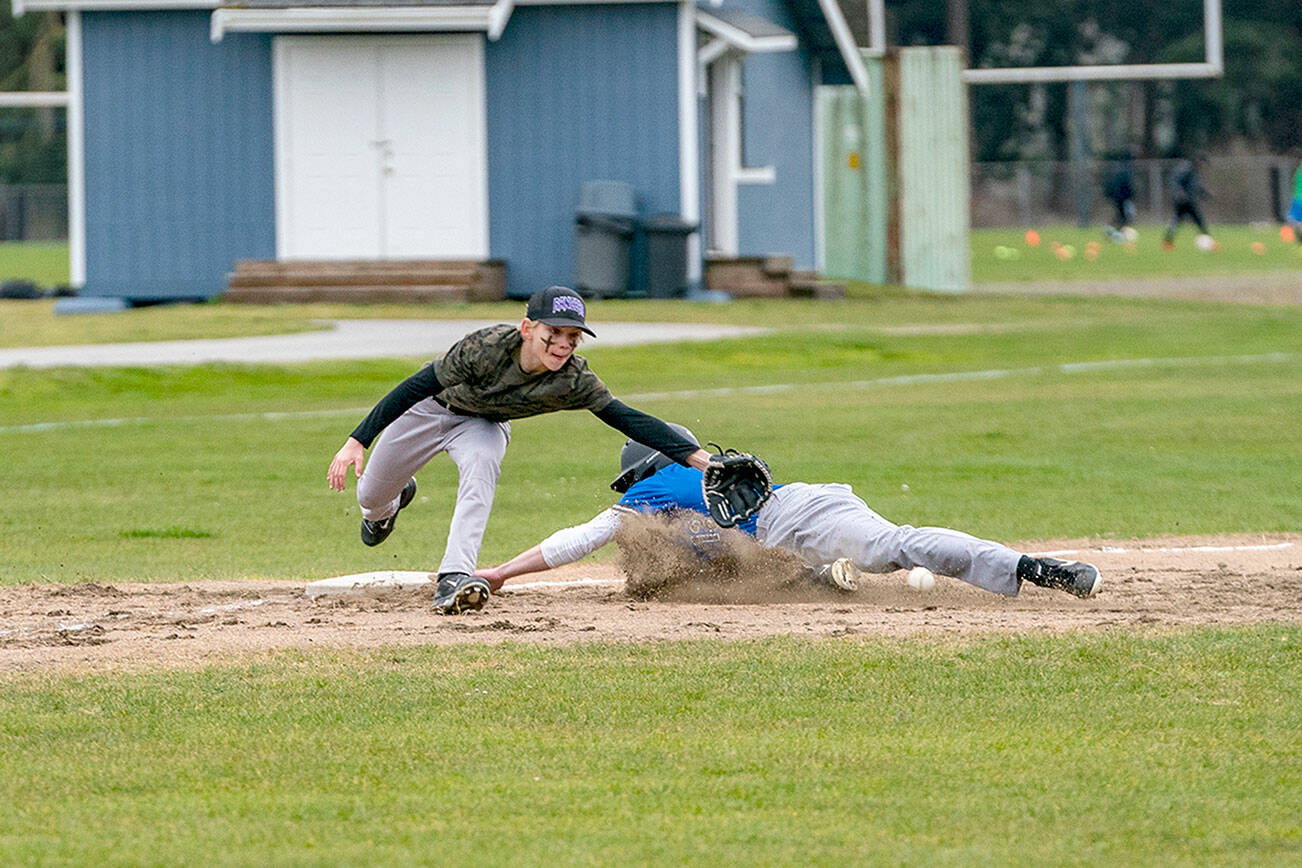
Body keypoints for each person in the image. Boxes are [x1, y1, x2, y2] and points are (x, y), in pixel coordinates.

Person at [326, 286, 715, 615]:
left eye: (572, 337)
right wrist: (358, 440)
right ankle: (389, 505)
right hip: (429, 410)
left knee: (482, 464)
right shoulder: (487, 347)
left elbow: (626, 418)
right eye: (554, 332)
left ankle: (454, 576)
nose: (563, 344)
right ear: (528, 328)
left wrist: (699, 459)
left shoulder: (573, 379)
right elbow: (415, 386)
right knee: (371, 496)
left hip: (481, 426)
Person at [475, 425, 1102, 601]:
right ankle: (821, 580)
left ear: (642, 469)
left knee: (894, 548)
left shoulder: (652, 492)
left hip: (802, 517)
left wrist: (500, 572)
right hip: (798, 523)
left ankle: (1034, 566)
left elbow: (575, 540)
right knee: (730, 565)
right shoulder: (667, 498)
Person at [1163, 153, 1213, 249]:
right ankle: (1208, 241)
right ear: (1199, 161)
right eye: (1204, 163)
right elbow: (1175, 181)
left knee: (1190, 220)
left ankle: (1167, 242)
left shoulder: (1194, 170)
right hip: (1182, 201)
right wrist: (1179, 194)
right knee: (1191, 220)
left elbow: (1195, 186)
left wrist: (1205, 194)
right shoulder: (1186, 168)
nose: (1204, 166)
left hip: (1189, 200)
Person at [1102, 148, 1137, 243]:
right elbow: (1126, 186)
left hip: (1117, 197)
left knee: (1121, 216)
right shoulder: (1126, 169)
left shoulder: (1118, 168)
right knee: (1126, 217)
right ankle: (1118, 236)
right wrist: (1131, 196)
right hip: (1122, 198)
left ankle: (1110, 231)